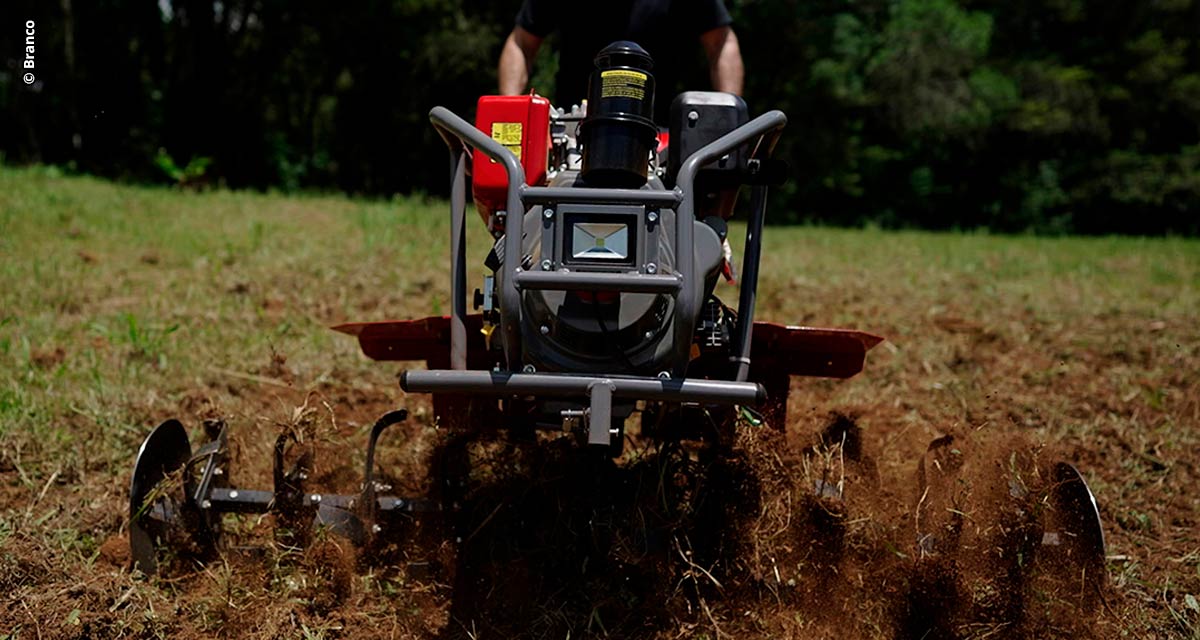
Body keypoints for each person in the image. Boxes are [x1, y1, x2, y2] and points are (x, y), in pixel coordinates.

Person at [498, 0, 744, 122]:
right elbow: (522, 43)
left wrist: (729, 119)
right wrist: (509, 113)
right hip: (573, 126)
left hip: (661, 133)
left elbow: (722, 44)